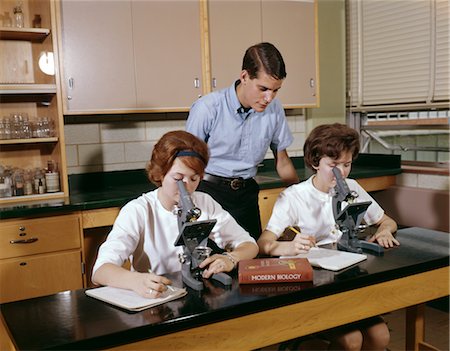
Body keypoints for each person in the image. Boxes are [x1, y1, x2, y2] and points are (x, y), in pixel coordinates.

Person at [258, 123, 399, 351]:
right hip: (314, 286)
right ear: (315, 162)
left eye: (347, 164)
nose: (341, 173)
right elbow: (263, 244)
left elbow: (387, 221)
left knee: (380, 336)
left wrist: (383, 230)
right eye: (333, 165)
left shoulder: (351, 187)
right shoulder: (294, 197)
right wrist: (289, 247)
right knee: (352, 341)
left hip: (347, 278)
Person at [92, 130, 258, 298]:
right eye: (178, 179)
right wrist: (135, 281)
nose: (186, 187)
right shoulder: (138, 210)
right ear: (160, 174)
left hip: (196, 295)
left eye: (194, 179)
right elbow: (100, 271)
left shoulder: (204, 202)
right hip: (157, 299)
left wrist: (230, 258)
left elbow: (249, 245)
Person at [186, 42, 299, 240]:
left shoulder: (274, 108)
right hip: (208, 194)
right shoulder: (207, 108)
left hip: (246, 196)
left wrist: (300, 199)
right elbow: (187, 164)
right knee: (210, 263)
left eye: (275, 90)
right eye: (263, 88)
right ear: (245, 76)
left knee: (251, 260)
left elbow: (282, 161)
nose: (269, 98)